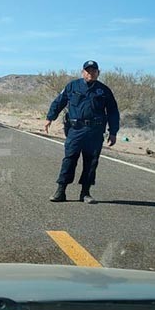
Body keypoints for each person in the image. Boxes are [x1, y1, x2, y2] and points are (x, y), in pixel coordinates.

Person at [44, 60, 120, 204]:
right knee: (69, 159)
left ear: (98, 73)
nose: (90, 73)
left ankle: (85, 193)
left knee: (91, 162)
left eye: (93, 71)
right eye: (88, 70)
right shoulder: (73, 86)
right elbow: (59, 101)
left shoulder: (104, 91)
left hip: (95, 131)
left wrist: (113, 131)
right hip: (75, 129)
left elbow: (113, 112)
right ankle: (61, 190)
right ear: (82, 72)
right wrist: (50, 118)